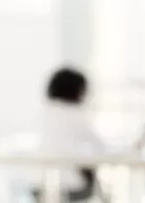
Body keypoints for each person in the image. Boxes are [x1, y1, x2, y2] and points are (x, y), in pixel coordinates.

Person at [35, 67, 103, 202]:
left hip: (37, 185)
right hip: (70, 187)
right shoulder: (76, 114)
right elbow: (99, 146)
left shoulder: (43, 112)